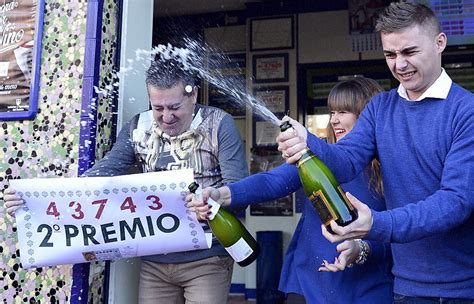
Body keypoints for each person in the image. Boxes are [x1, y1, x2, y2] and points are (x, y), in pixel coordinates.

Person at [4, 53, 248, 304]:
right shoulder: (137, 127)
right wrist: (35, 200)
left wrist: (211, 200)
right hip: (155, 260)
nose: (166, 117)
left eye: (175, 107)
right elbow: (103, 173)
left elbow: (240, 191)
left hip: (207, 258)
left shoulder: (219, 124)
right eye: (158, 108)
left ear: (193, 95)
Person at [278, 2, 474, 303]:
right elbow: (345, 161)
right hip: (405, 288)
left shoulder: (466, 111)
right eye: (390, 55)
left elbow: (456, 200)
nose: (399, 65)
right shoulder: (381, 108)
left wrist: (377, 224)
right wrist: (309, 142)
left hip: (462, 289)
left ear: (440, 43)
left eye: (409, 52)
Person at [188, 77, 393, 303]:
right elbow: (271, 181)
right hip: (307, 283)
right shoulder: (318, 157)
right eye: (332, 112)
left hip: (366, 288)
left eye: (343, 112)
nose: (334, 120)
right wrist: (221, 194)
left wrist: (362, 248)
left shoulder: (391, 169)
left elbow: (398, 232)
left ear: (367, 116)